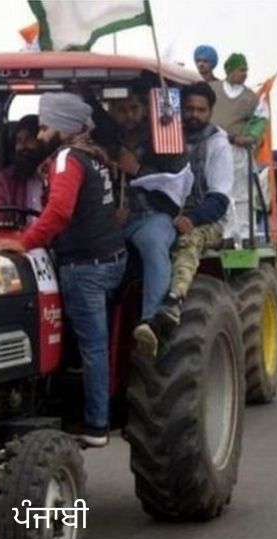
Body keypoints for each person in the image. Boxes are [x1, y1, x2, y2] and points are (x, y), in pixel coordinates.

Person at [0, 93, 126, 448]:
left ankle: (96, 425)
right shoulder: (94, 156)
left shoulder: (67, 159)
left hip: (85, 267)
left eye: (45, 127)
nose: (40, 136)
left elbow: (60, 211)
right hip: (110, 259)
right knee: (93, 344)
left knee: (92, 346)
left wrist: (25, 242)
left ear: (64, 128)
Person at [109, 87, 191, 357]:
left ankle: (151, 321)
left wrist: (137, 169)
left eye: (134, 108)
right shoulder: (106, 141)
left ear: (145, 109)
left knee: (155, 245)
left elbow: (176, 182)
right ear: (112, 112)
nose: (129, 116)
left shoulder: (164, 139)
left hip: (152, 217)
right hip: (115, 222)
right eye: (122, 110)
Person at [154, 82, 232, 331]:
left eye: (201, 110)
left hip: (208, 221)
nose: (194, 115)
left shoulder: (217, 144)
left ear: (210, 112)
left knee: (189, 239)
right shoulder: (167, 137)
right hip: (169, 213)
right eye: (189, 109)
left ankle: (175, 299)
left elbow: (219, 199)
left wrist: (192, 219)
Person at [209, 52, 266, 243]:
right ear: (230, 70)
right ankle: (225, 234)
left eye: (246, 70)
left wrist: (250, 136)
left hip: (238, 151)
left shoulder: (251, 97)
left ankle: (244, 234)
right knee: (219, 191)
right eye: (241, 70)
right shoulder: (213, 90)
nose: (245, 74)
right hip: (215, 148)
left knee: (242, 194)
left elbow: (261, 119)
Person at [0, 114, 47, 211]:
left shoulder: (56, 175)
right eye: (19, 141)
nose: (23, 146)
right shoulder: (5, 180)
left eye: (29, 139)